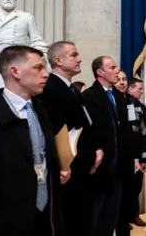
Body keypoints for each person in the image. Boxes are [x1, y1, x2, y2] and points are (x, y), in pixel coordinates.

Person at [0, 45, 65, 235]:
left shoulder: (41, 111)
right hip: (2, 222)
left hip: (44, 215)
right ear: (15, 72)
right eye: (38, 68)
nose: (46, 74)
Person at [38, 41, 95, 236]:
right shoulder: (50, 88)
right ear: (58, 60)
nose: (79, 59)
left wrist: (97, 151)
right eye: (73, 55)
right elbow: (53, 131)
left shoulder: (72, 89)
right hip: (67, 172)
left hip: (82, 171)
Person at [81, 56, 132, 236]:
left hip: (118, 170)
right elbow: (87, 132)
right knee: (94, 219)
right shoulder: (88, 97)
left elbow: (125, 132)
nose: (117, 71)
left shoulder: (120, 97)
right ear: (100, 72)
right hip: (99, 170)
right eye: (112, 67)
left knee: (111, 218)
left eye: (117, 67)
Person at [115, 74, 146, 235]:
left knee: (135, 187)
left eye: (123, 79)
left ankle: (132, 215)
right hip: (118, 155)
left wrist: (144, 156)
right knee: (119, 191)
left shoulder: (136, 105)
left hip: (135, 152)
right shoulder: (111, 101)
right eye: (118, 79)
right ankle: (120, 218)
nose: (121, 82)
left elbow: (145, 131)